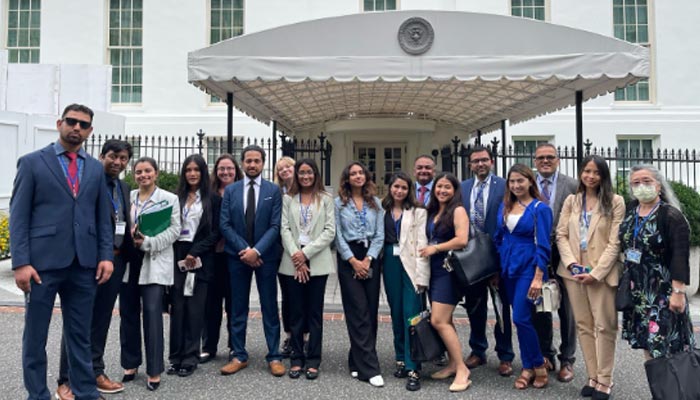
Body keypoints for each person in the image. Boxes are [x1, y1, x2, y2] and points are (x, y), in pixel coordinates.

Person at [10, 104, 114, 400]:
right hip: (42, 265)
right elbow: (19, 216)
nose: (76, 128)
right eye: (71, 121)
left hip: (83, 264)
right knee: (36, 336)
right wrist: (21, 263)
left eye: (83, 124)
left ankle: (84, 391)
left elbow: (101, 218)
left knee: (80, 335)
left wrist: (105, 255)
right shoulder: (32, 163)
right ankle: (38, 394)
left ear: (90, 130)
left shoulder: (95, 167)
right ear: (60, 123)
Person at [55, 139, 134, 399]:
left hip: (116, 261)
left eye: (123, 158)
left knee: (101, 320)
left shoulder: (122, 186)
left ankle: (95, 371)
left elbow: (120, 219)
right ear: (101, 156)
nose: (118, 162)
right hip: (88, 262)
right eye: (113, 156)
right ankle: (67, 379)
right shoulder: (87, 180)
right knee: (77, 321)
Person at [619, 164, 695, 400]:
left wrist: (678, 292)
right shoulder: (632, 211)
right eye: (635, 182)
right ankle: (661, 392)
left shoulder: (670, 215)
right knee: (649, 346)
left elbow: (680, 256)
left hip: (663, 293)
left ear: (659, 185)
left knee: (667, 347)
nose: (641, 187)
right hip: (639, 293)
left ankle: (677, 393)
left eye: (646, 181)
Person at [555, 155, 625, 399]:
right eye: (587, 171)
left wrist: (596, 273)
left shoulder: (615, 202)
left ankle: (606, 379)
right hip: (573, 273)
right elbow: (561, 235)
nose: (591, 176)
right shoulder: (571, 201)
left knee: (605, 326)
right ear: (581, 173)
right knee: (583, 325)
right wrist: (572, 263)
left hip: (601, 275)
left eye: (596, 172)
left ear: (603, 175)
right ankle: (593, 376)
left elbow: (615, 242)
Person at [219, 145, 286, 377]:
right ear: (242, 163)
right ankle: (238, 354)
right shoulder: (231, 190)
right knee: (238, 307)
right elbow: (225, 224)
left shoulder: (273, 190)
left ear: (263, 163)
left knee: (269, 306)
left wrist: (257, 251)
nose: (252, 165)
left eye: (256, 161)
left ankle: (274, 355)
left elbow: (276, 225)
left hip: (265, 257)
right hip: (237, 257)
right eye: (248, 161)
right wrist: (245, 250)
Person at [120, 157, 181, 391]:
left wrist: (148, 242)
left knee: (153, 315)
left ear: (156, 173)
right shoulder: (129, 197)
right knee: (128, 314)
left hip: (152, 258)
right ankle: (130, 363)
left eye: (147, 171)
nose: (143, 175)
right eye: (138, 172)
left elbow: (175, 230)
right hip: (129, 262)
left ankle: (154, 369)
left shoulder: (169, 199)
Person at [494, 164, 552, 390]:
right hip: (508, 267)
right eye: (512, 181)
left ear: (530, 181)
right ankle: (527, 366)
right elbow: (499, 236)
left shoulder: (540, 208)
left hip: (529, 268)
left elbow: (544, 245)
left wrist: (538, 276)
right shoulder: (506, 205)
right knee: (518, 318)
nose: (516, 185)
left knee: (520, 318)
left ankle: (538, 364)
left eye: (520, 180)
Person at [459, 146, 515, 376]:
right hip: (472, 257)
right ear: (470, 164)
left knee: (502, 309)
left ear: (491, 162)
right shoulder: (463, 188)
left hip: (497, 255)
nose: (480, 164)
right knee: (475, 307)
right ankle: (478, 350)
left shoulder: (504, 186)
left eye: (484, 160)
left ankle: (505, 355)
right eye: (475, 161)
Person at [279, 159, 335, 380]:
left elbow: (330, 231)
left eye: (309, 172)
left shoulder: (326, 199)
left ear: (315, 174)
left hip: (316, 259)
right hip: (292, 260)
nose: (305, 176)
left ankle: (313, 360)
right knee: (295, 313)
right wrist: (297, 256)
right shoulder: (288, 199)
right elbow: (284, 229)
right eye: (301, 172)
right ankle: (296, 358)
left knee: (314, 313)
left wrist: (306, 254)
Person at [168, 154, 221, 378]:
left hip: (200, 257)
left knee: (195, 309)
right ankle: (175, 357)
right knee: (177, 308)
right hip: (176, 255)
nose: (192, 174)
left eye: (196, 170)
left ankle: (190, 357)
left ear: (203, 172)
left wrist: (195, 251)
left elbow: (216, 232)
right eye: (188, 170)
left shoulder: (213, 200)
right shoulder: (175, 198)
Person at [418, 172, 471, 392]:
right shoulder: (434, 211)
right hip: (435, 269)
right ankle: (452, 364)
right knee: (446, 320)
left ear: (454, 190)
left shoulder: (457, 210)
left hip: (448, 270)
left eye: (447, 187)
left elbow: (462, 239)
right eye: (439, 186)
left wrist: (436, 248)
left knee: (438, 321)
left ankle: (462, 369)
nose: (442, 191)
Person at [335, 161, 385, 387]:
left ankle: (356, 360)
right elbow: (337, 236)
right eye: (353, 173)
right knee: (357, 311)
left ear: (366, 176)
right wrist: (354, 261)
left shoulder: (376, 203)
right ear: (347, 178)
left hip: (371, 257)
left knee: (370, 310)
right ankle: (370, 369)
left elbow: (380, 235)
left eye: (361, 173)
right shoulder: (338, 204)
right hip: (349, 258)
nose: (357, 176)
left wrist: (368, 259)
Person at [532, 143, 578, 382]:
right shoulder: (529, 185)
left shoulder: (571, 185)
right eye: (541, 158)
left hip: (564, 253)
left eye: (550, 157)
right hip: (537, 253)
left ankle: (567, 359)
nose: (545, 161)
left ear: (558, 160)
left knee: (567, 308)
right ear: (535, 161)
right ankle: (545, 354)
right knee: (541, 305)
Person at [381, 172, 430, 391]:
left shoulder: (418, 212)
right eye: (395, 187)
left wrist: (422, 276)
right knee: (396, 312)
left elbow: (422, 244)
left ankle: (414, 366)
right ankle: (401, 358)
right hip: (390, 264)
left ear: (409, 189)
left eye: (403, 187)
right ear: (390, 188)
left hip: (410, 264)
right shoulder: (383, 210)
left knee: (411, 315)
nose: (399, 191)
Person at [200, 154, 242, 363]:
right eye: (221, 169)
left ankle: (235, 346)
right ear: (215, 171)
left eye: (230, 168)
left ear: (236, 170)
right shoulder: (209, 194)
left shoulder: (244, 191)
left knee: (234, 304)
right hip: (213, 256)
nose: (225, 172)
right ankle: (208, 346)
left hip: (236, 255)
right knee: (211, 304)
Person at [274, 156, 296, 357]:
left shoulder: (306, 192)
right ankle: (289, 335)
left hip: (305, 250)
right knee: (287, 296)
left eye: (288, 166)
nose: (285, 170)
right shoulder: (277, 193)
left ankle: (304, 337)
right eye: (281, 169)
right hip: (283, 251)